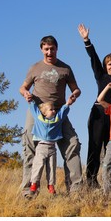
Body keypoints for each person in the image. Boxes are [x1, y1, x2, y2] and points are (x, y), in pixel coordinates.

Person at [19, 35, 83, 196]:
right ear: (42, 50)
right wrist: (26, 94)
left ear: (56, 49)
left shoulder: (65, 68)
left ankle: (75, 189)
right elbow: (23, 87)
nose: (49, 52)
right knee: (30, 148)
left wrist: (74, 95)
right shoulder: (35, 68)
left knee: (72, 144)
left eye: (52, 49)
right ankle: (29, 190)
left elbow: (76, 88)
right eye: (46, 49)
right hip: (37, 112)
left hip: (58, 113)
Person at [78, 24, 111, 189]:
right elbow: (93, 58)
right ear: (106, 66)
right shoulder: (102, 76)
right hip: (99, 114)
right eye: (109, 64)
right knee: (95, 146)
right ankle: (91, 181)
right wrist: (86, 40)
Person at [28, 96, 74, 197]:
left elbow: (62, 111)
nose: (53, 111)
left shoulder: (57, 119)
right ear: (44, 112)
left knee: (52, 168)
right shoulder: (39, 118)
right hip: (41, 147)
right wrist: (30, 100)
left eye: (54, 109)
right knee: (38, 166)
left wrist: (68, 103)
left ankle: (51, 186)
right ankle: (33, 185)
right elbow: (34, 109)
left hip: (52, 148)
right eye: (51, 109)